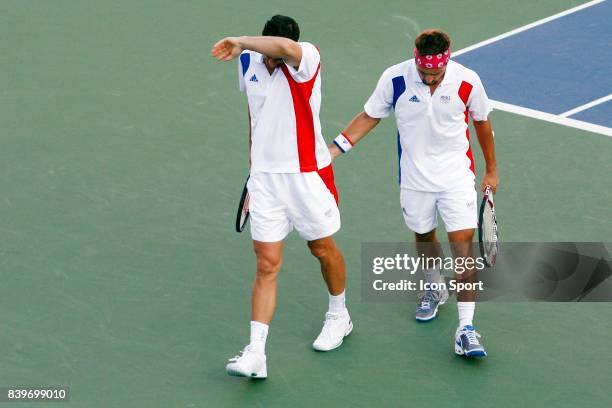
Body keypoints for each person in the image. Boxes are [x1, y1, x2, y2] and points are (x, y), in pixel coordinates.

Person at [330, 29, 499, 358]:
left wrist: (491, 168)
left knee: (462, 246)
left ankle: (466, 329)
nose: (430, 80)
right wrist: (333, 151)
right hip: (414, 179)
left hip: (456, 178)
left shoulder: (467, 81)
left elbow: (482, 122)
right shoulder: (395, 79)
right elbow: (369, 116)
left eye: (436, 75)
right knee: (424, 236)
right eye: (424, 73)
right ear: (416, 60)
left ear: (447, 62)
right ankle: (434, 286)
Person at [211, 15, 352, 379]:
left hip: (307, 176)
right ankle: (256, 352)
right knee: (266, 263)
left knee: (322, 249)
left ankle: (339, 315)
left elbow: (285, 49)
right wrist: (253, 171)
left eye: (275, 54)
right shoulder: (247, 62)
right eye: (267, 53)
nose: (272, 60)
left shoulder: (306, 58)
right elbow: (254, 118)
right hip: (266, 180)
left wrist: (240, 39)